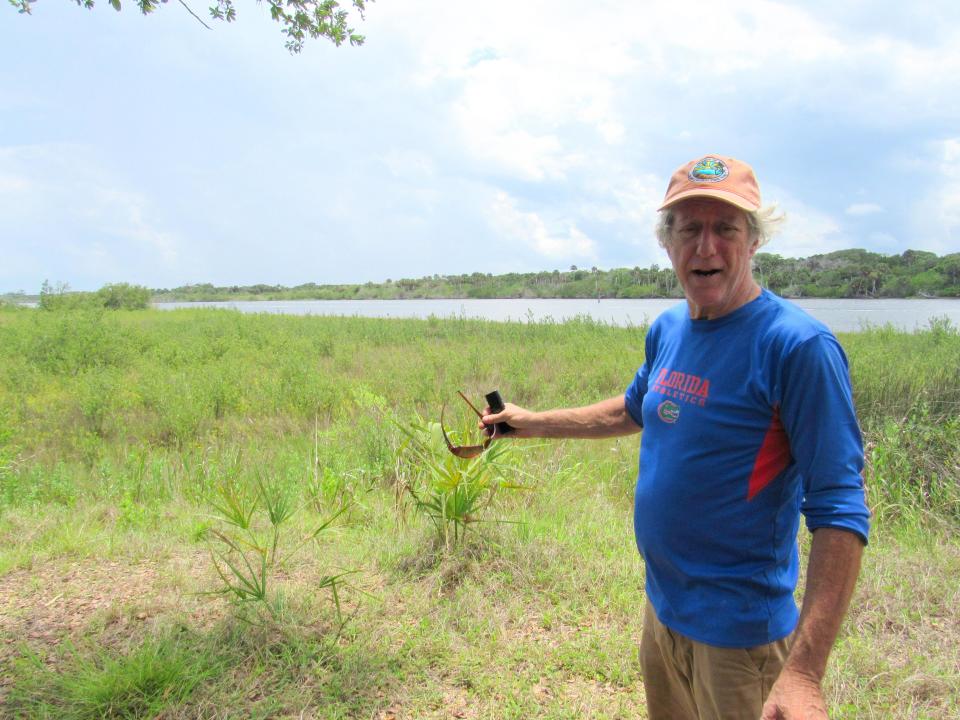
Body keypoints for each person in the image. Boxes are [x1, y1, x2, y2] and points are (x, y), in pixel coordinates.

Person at [482, 155, 870, 720]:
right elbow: (637, 408)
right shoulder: (668, 329)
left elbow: (840, 506)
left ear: (754, 240)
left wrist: (805, 673)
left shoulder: (797, 347)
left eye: (725, 229)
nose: (705, 247)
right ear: (667, 243)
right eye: (689, 229)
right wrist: (530, 422)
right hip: (663, 614)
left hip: (741, 642)